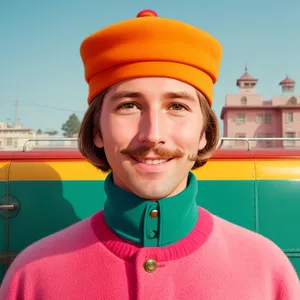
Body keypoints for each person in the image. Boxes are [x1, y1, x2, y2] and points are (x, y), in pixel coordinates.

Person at [0, 9, 299, 300]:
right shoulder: (31, 277)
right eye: (129, 105)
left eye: (177, 107)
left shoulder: (268, 271)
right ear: (97, 132)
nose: (153, 134)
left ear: (204, 133)